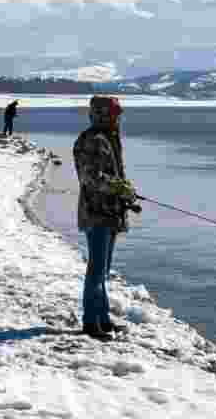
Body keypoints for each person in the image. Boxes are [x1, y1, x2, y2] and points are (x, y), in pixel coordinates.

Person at [73, 96, 140, 339]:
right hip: (96, 213)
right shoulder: (91, 140)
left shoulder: (107, 138)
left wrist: (125, 191)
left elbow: (112, 176)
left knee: (102, 271)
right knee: (96, 271)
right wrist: (120, 188)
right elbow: (91, 178)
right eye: (114, 114)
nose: (118, 119)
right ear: (102, 114)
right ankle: (91, 323)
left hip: (109, 212)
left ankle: (103, 319)